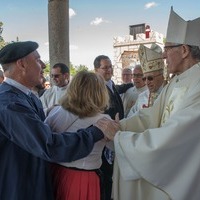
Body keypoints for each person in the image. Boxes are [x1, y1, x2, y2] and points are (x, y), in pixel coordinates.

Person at [0, 41, 119, 200]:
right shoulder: (10, 104)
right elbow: (49, 144)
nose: (43, 65)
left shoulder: (25, 97)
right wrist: (97, 130)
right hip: (20, 185)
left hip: (36, 180)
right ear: (21, 64)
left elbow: (36, 128)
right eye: (37, 60)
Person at [113, 7, 200, 200]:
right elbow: (151, 115)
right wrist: (121, 126)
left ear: (184, 50)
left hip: (180, 170)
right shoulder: (177, 80)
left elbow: (178, 132)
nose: (163, 55)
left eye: (168, 49)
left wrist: (121, 139)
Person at [45, 70, 111, 200]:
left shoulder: (56, 111)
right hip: (82, 179)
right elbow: (115, 147)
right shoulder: (104, 120)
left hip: (54, 173)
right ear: (100, 93)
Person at [94, 55, 126, 200]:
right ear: (96, 70)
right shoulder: (96, 90)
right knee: (106, 177)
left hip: (116, 137)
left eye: (110, 66)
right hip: (104, 140)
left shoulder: (111, 85)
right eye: (105, 67)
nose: (109, 70)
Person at [127, 43, 165, 117]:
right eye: (144, 78)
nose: (147, 82)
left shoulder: (169, 94)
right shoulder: (142, 97)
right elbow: (131, 117)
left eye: (150, 78)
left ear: (161, 76)